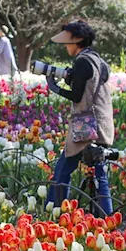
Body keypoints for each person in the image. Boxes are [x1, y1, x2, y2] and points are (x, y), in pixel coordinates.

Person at [44, 20, 114, 216]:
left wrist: (55, 87)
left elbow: (77, 95)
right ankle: (106, 221)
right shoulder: (97, 60)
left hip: (86, 126)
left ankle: (53, 213)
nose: (66, 46)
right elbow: (90, 86)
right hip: (102, 124)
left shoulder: (82, 61)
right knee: (100, 175)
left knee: (62, 171)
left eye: (68, 42)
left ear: (79, 41)